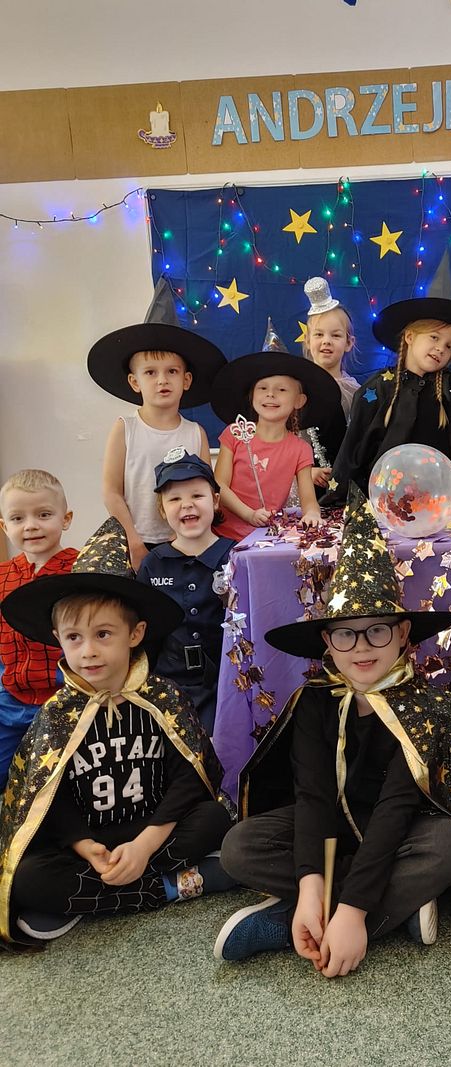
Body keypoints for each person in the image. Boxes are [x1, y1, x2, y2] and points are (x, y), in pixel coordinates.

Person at [212, 485, 451, 972]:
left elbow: (395, 808)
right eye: (345, 634)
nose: (361, 647)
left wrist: (353, 911)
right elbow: (313, 798)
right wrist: (309, 886)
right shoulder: (314, 702)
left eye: (378, 630)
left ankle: (297, 925)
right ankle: (393, 907)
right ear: (326, 641)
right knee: (239, 847)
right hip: (336, 831)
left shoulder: (426, 709)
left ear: (404, 633)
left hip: (407, 832)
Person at [0, 518, 234, 946]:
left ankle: (91, 898)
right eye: (74, 637)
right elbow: (49, 796)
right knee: (30, 877)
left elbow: (189, 779)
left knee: (217, 817)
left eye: (103, 634)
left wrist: (144, 845)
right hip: (94, 842)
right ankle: (174, 885)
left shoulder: (162, 696)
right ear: (57, 638)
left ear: (135, 634)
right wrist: (83, 845)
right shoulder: (56, 714)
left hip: (154, 829)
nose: (88, 651)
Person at [89, 278, 225, 571]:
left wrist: (188, 538)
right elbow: (111, 491)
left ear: (186, 380)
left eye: (172, 371)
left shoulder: (195, 433)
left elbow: (204, 489)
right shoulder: (125, 429)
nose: (162, 380)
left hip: (185, 542)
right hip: (137, 542)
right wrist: (133, 540)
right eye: (150, 372)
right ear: (134, 381)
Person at [323, 296, 451, 502]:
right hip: (385, 500)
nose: (441, 348)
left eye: (449, 346)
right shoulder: (379, 387)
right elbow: (355, 448)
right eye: (434, 337)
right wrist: (339, 498)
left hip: (438, 500)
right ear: (410, 336)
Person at [136, 450, 235, 733]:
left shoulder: (236, 556)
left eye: (197, 495)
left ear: (215, 500)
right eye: (174, 499)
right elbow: (144, 634)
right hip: (168, 688)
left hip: (225, 687)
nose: (187, 505)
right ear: (162, 510)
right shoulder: (153, 564)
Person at [210, 349, 344, 540]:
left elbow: (309, 500)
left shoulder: (300, 449)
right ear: (252, 396)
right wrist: (249, 514)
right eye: (262, 388)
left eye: (281, 390)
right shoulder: (235, 434)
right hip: (224, 535)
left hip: (265, 537)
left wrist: (312, 514)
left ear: (299, 400)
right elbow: (219, 485)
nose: (270, 394)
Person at [0, 470, 77, 789]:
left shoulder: (81, 571)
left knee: (56, 779)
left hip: (64, 698)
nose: (30, 525)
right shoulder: (3, 575)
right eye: (18, 518)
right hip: (9, 696)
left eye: (43, 515)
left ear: (65, 518)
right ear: (5, 526)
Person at [303, 277, 359, 419]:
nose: (326, 341)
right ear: (307, 341)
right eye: (319, 334)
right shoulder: (298, 387)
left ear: (348, 343)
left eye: (335, 335)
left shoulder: (354, 392)